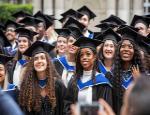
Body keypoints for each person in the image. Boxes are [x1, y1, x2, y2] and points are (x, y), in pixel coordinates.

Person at [64, 37, 113, 115]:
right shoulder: (74, 80)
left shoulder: (102, 83)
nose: (84, 57)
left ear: (94, 57)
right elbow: (67, 105)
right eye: (81, 55)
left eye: (88, 54)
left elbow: (105, 109)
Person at [19, 41, 66, 115]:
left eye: (42, 58)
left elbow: (64, 110)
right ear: (32, 63)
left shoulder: (58, 85)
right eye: (36, 59)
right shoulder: (26, 87)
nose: (39, 61)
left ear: (47, 62)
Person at [113, 26, 146, 114]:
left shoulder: (143, 76)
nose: (126, 49)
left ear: (135, 51)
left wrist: (139, 82)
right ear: (119, 50)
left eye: (130, 47)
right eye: (123, 46)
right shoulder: (111, 75)